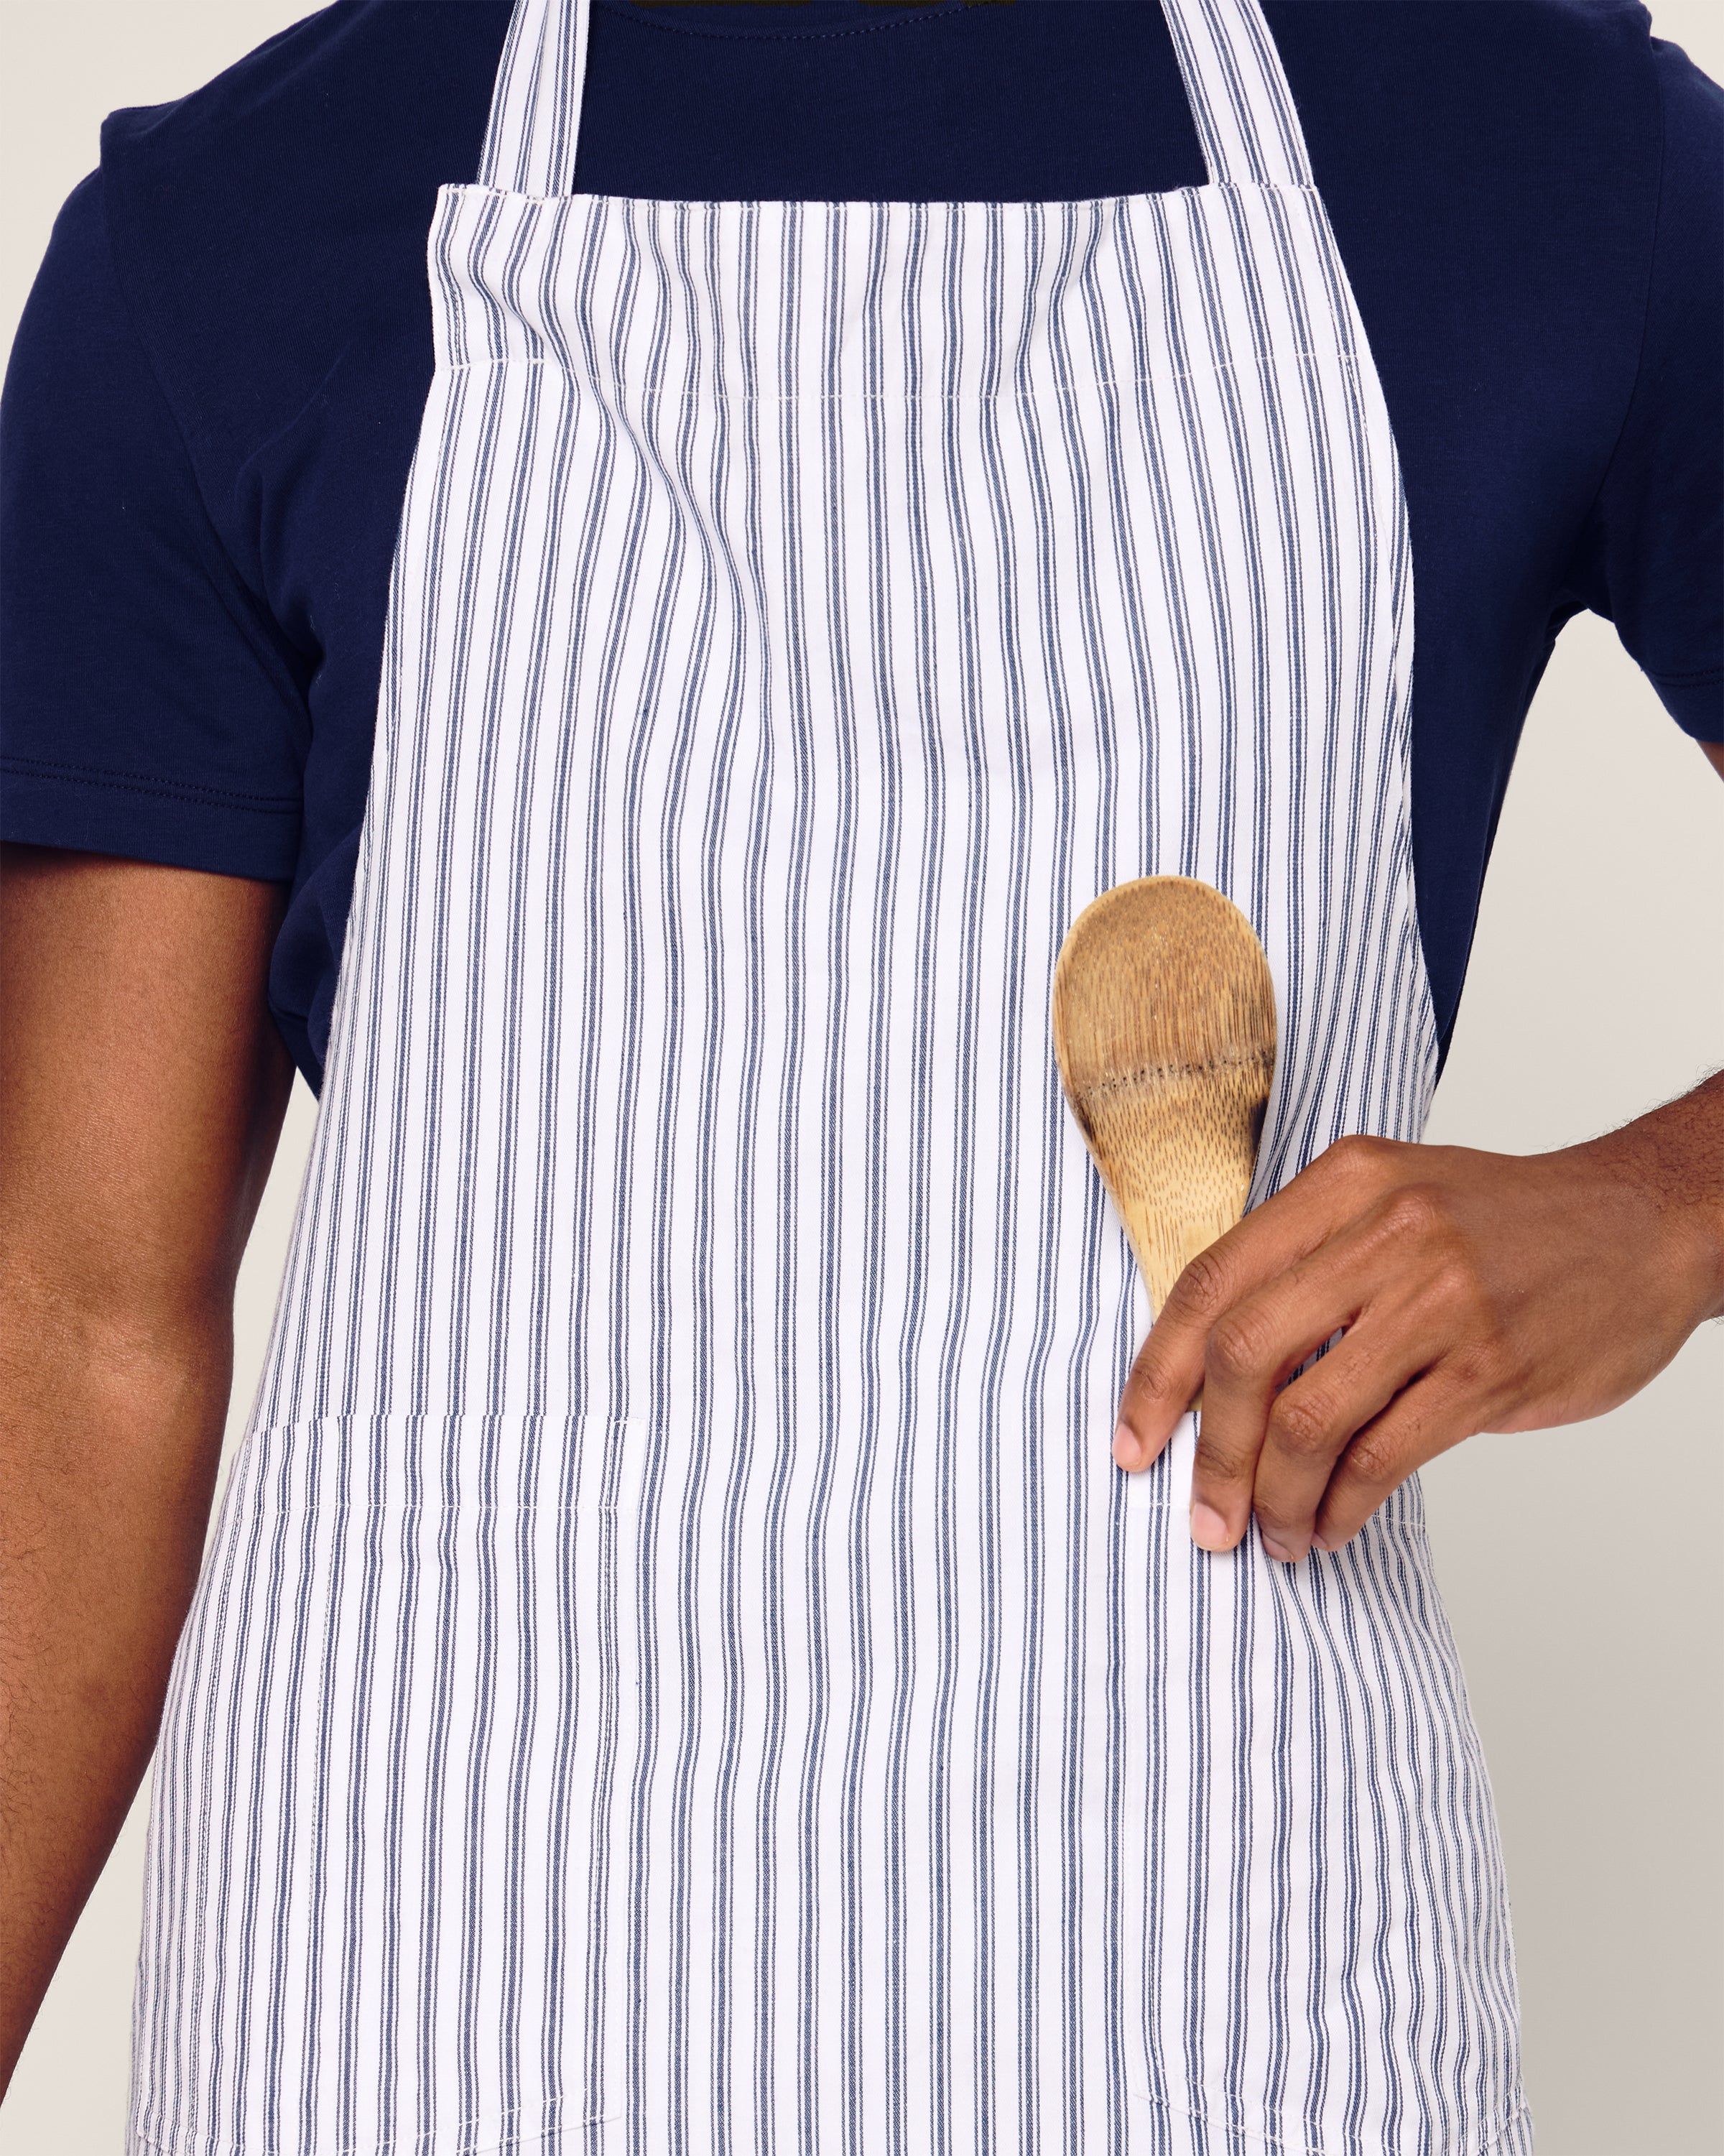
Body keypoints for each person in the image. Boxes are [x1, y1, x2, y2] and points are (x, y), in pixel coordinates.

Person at [1, 1, 1719, 2150]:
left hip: (1205, 1973)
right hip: (416, 1990)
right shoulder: (228, 235)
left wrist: (1659, 1210)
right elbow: (78, 1327)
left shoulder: (1532, 151)